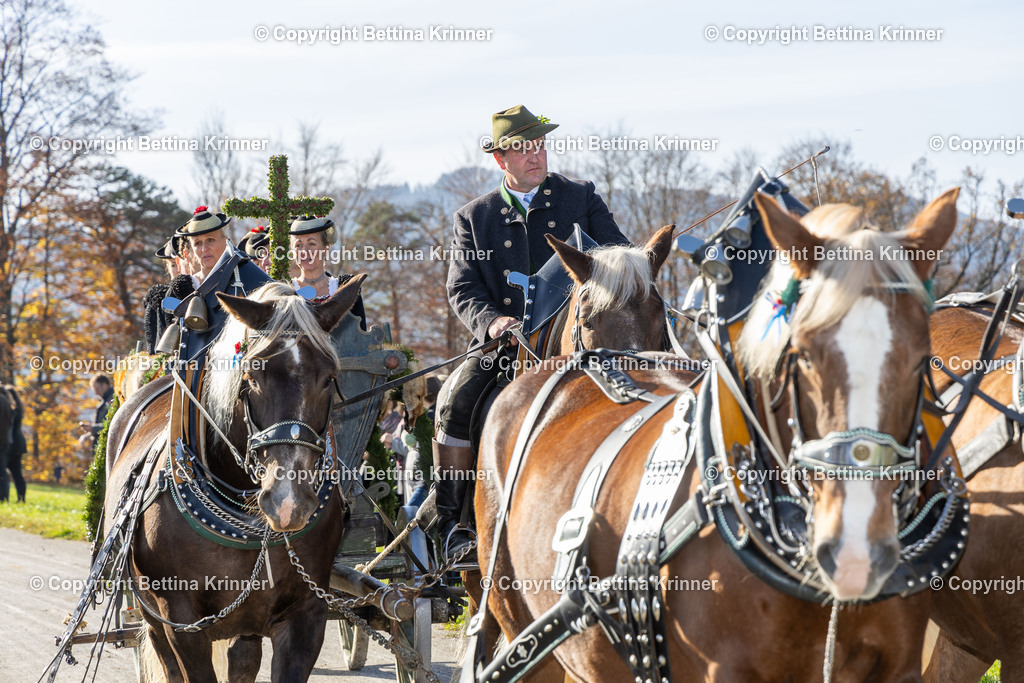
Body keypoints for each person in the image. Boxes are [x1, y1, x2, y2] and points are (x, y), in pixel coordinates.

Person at [433, 105, 630, 561]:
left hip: (578, 338)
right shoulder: (473, 217)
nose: (534, 156)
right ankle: (451, 524)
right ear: (501, 160)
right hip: (504, 345)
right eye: (521, 149)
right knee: (455, 401)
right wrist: (493, 322)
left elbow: (616, 252)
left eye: (538, 145)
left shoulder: (579, 197)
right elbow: (461, 287)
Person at [289, 215, 367, 329]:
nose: (304, 251)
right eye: (298, 245)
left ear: (325, 249)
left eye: (312, 243)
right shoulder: (286, 291)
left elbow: (359, 338)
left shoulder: (346, 287)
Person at [0, 386, 27, 503]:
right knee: (17, 474)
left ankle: (4, 497)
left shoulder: (8, 410)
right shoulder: (19, 410)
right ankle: (21, 498)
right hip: (19, 445)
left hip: (9, 445)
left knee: (3, 473)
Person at [78, 374, 114, 447]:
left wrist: (93, 428)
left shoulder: (112, 400)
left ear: (104, 385)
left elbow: (113, 424)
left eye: (97, 389)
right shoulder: (104, 403)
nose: (96, 393)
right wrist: (88, 434)